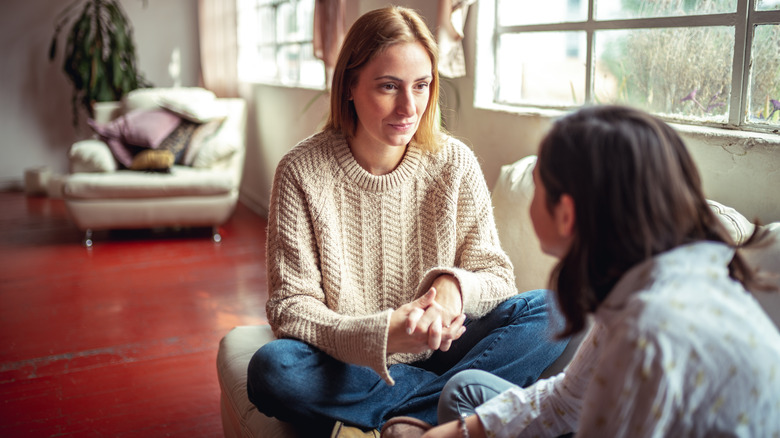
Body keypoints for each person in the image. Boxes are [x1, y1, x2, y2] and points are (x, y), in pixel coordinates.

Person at [245, 5, 568, 437]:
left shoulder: (454, 162)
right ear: (349, 87)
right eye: (388, 86)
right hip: (355, 360)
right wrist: (385, 335)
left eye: (421, 86)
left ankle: (416, 418)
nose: (408, 106)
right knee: (274, 369)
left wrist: (452, 289)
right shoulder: (301, 171)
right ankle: (444, 408)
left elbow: (496, 275)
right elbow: (291, 308)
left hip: (449, 345)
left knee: (559, 307)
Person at [424, 105, 780, 438]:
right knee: (464, 391)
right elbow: (567, 400)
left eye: (537, 182)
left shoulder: (647, 332)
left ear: (566, 214)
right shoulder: (650, 279)